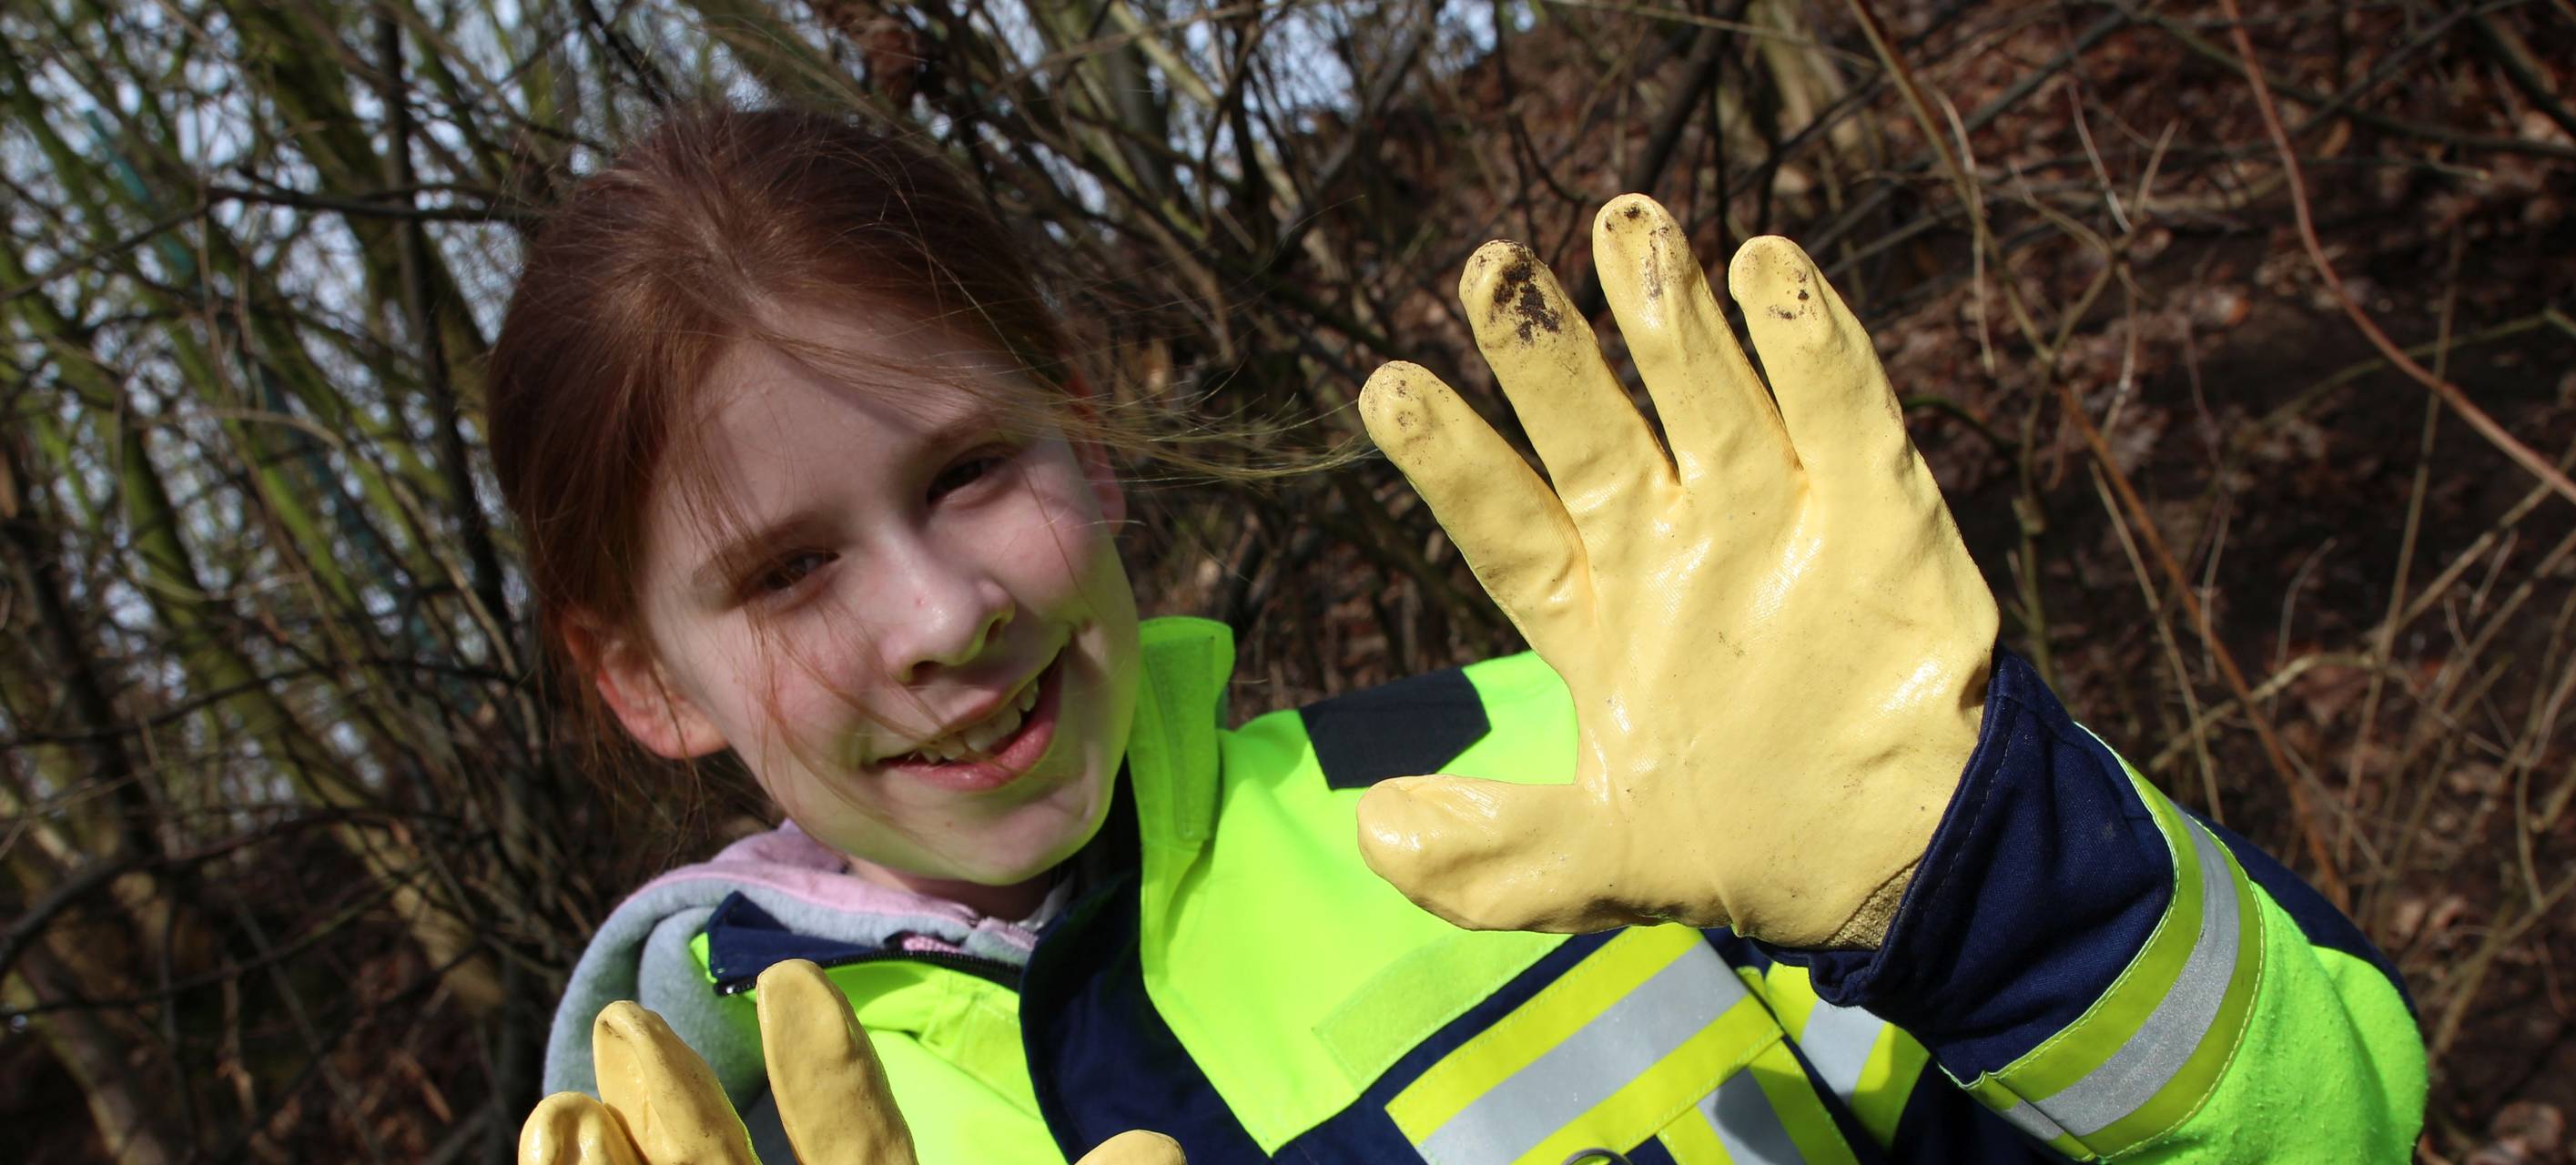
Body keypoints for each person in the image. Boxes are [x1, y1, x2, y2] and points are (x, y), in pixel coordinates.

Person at [492, 105, 2426, 1164]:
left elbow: (2329, 1124)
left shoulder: (1587, 759)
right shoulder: (716, 1156)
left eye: (970, 471)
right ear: (639, 676)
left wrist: (1998, 884)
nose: (944, 616)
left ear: (1085, 433)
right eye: (787, 572)